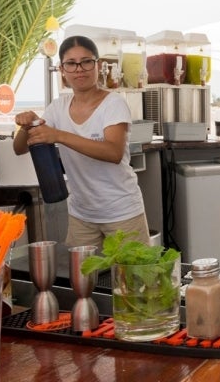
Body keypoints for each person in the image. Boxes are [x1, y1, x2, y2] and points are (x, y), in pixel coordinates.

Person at [13, 35, 150, 249]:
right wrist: (26, 126)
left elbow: (113, 153)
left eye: (86, 61)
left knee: (133, 280)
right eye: (71, 63)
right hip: (82, 215)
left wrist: (57, 135)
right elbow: (19, 149)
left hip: (122, 212)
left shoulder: (113, 104)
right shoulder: (58, 108)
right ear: (62, 70)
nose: (79, 69)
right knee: (81, 280)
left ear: (98, 65)